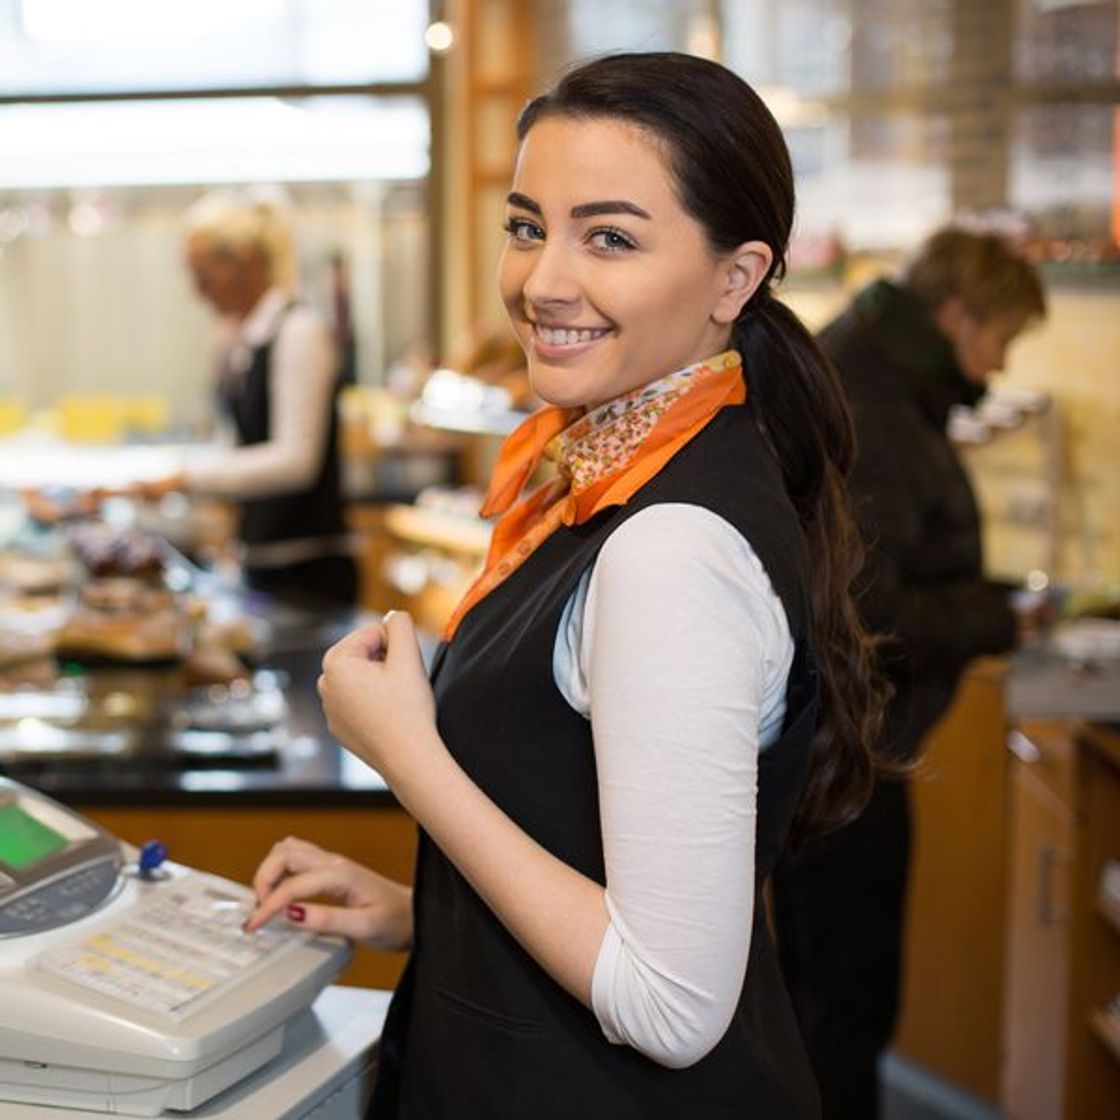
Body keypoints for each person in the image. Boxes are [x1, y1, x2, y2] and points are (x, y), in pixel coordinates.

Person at [246, 53, 887, 1118]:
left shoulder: (669, 542)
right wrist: (424, 910)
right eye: (527, 225)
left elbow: (673, 1005)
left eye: (611, 237)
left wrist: (407, 752)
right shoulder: (611, 475)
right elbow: (606, 866)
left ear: (735, 278)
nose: (543, 280)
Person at [770, 227, 1047, 1119]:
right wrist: (1003, 614)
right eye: (1000, 339)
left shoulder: (872, 365)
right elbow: (873, 608)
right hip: (847, 752)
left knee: (817, 994)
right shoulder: (877, 399)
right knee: (844, 1004)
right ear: (959, 315)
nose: (999, 365)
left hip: (825, 742)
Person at [151, 187, 357, 609]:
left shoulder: (300, 331)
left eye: (204, 275)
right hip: (259, 564)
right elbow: (235, 445)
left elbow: (295, 461)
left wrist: (187, 478)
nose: (198, 292)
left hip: (308, 571)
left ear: (245, 261)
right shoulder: (239, 341)